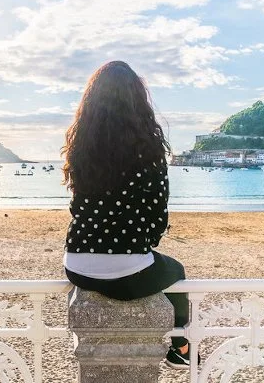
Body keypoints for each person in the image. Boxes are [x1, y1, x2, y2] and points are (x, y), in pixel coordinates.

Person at [61, 61, 192, 370]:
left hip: (76, 264)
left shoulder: (81, 148)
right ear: (138, 102)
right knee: (176, 271)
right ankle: (181, 347)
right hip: (129, 272)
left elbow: (77, 208)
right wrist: (140, 241)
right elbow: (157, 219)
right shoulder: (148, 151)